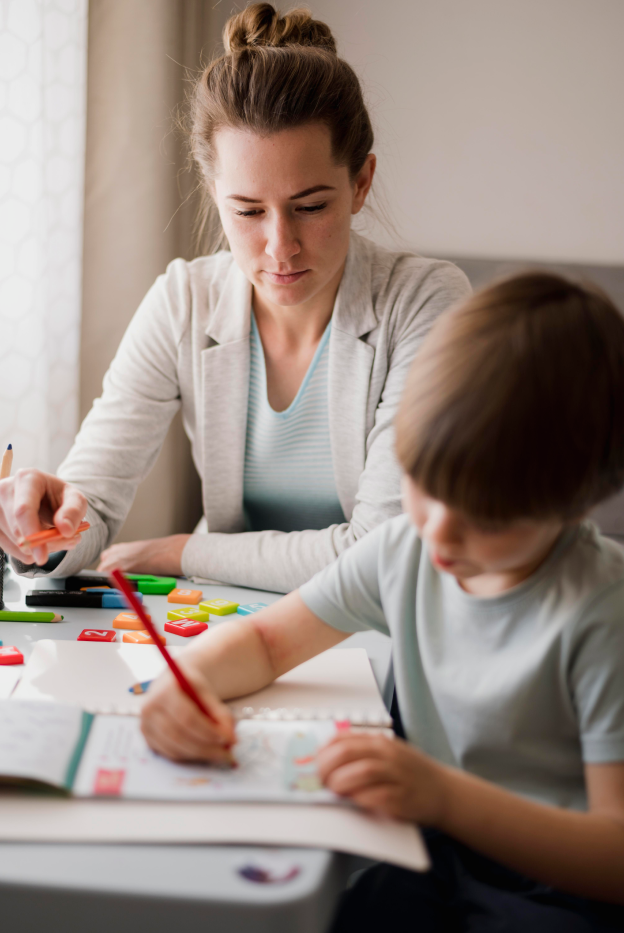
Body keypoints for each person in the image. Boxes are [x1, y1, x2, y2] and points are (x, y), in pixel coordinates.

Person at [139, 272, 624, 931]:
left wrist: (444, 798)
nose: (443, 530)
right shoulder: (405, 548)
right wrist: (189, 681)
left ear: (575, 502)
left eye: (489, 516)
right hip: (432, 856)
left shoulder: (602, 612)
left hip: (563, 891)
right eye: (424, 484)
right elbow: (265, 641)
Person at [0, 3, 469, 593]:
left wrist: (180, 550)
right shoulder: (183, 300)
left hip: (375, 636)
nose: (280, 247)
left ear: (361, 183)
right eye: (247, 211)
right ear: (214, 192)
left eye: (311, 206)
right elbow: (90, 505)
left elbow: (380, 554)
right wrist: (46, 531)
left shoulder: (426, 301)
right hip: (226, 621)